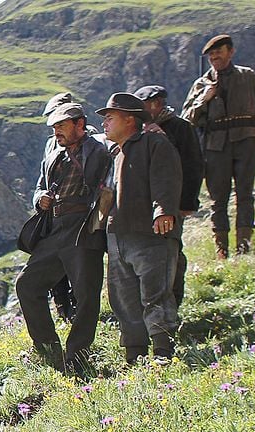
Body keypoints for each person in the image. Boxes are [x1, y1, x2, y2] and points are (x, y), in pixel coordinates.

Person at [15, 102, 112, 375]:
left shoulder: (98, 150)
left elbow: (106, 186)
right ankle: (48, 350)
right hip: (54, 226)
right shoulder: (53, 153)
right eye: (54, 126)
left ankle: (78, 355)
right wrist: (39, 199)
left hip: (83, 226)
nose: (56, 131)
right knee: (27, 284)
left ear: (80, 124)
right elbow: (39, 187)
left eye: (62, 125)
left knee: (86, 294)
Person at [97, 93, 183, 364]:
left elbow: (166, 178)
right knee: (123, 297)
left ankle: (162, 350)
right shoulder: (115, 152)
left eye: (110, 118)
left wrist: (163, 211)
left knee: (156, 293)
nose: (104, 124)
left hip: (151, 233)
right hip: (118, 234)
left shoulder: (154, 143)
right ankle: (134, 354)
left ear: (130, 120)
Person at [182, 33, 255, 258]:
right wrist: (205, 98)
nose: (215, 58)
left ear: (230, 52)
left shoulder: (248, 76)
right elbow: (186, 118)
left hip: (247, 142)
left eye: (219, 53)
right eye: (212, 55)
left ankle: (244, 247)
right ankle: (221, 250)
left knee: (245, 195)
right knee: (218, 199)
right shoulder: (201, 84)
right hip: (215, 146)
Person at [135, 84, 204, 305]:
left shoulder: (181, 128)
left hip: (171, 203)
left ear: (155, 104)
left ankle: (172, 303)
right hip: (142, 204)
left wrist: (186, 203)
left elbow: (193, 166)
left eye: (143, 106)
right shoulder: (137, 129)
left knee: (171, 251)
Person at [42, 92, 78, 322]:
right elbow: (42, 181)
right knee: (55, 269)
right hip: (54, 216)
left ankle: (79, 311)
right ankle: (63, 310)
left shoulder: (89, 140)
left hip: (78, 218)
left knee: (78, 268)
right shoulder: (50, 145)